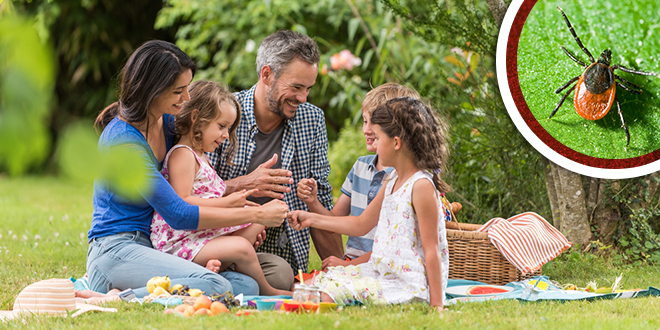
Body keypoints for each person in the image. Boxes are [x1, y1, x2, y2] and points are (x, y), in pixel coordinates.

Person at [87, 40, 288, 299]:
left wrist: (244, 186)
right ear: (152, 90)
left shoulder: (168, 125)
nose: (187, 98)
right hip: (116, 249)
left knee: (247, 287)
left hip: (156, 247)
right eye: (178, 90)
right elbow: (178, 213)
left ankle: (160, 284)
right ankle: (116, 297)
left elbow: (197, 186)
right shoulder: (124, 141)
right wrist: (257, 215)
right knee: (218, 287)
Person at [288, 97, 451, 311]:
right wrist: (311, 218)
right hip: (380, 272)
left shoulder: (420, 186)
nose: (374, 144)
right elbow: (361, 224)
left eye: (378, 137)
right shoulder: (393, 179)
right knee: (307, 285)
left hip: (407, 286)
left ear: (395, 142)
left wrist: (437, 305)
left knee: (322, 295)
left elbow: (432, 250)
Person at [208, 30, 343, 285]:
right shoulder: (222, 113)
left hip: (279, 245)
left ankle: (230, 280)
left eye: (308, 89)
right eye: (296, 87)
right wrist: (245, 184)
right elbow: (192, 195)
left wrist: (342, 273)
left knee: (281, 274)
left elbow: (321, 203)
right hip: (218, 238)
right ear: (267, 75)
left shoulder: (311, 120)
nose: (303, 98)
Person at [150, 80, 291, 296]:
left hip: (199, 235)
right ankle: (267, 290)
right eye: (221, 126)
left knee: (256, 223)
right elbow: (182, 202)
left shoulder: (201, 156)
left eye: (229, 128)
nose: (226, 135)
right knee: (242, 246)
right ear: (196, 118)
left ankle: (215, 267)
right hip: (180, 241)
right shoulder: (182, 155)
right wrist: (227, 203)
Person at [296, 83, 420, 271]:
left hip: (383, 265)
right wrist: (313, 202)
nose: (367, 130)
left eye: (374, 124)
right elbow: (335, 222)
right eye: (364, 121)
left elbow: (392, 247)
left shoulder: (402, 179)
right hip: (352, 263)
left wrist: (349, 266)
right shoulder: (360, 167)